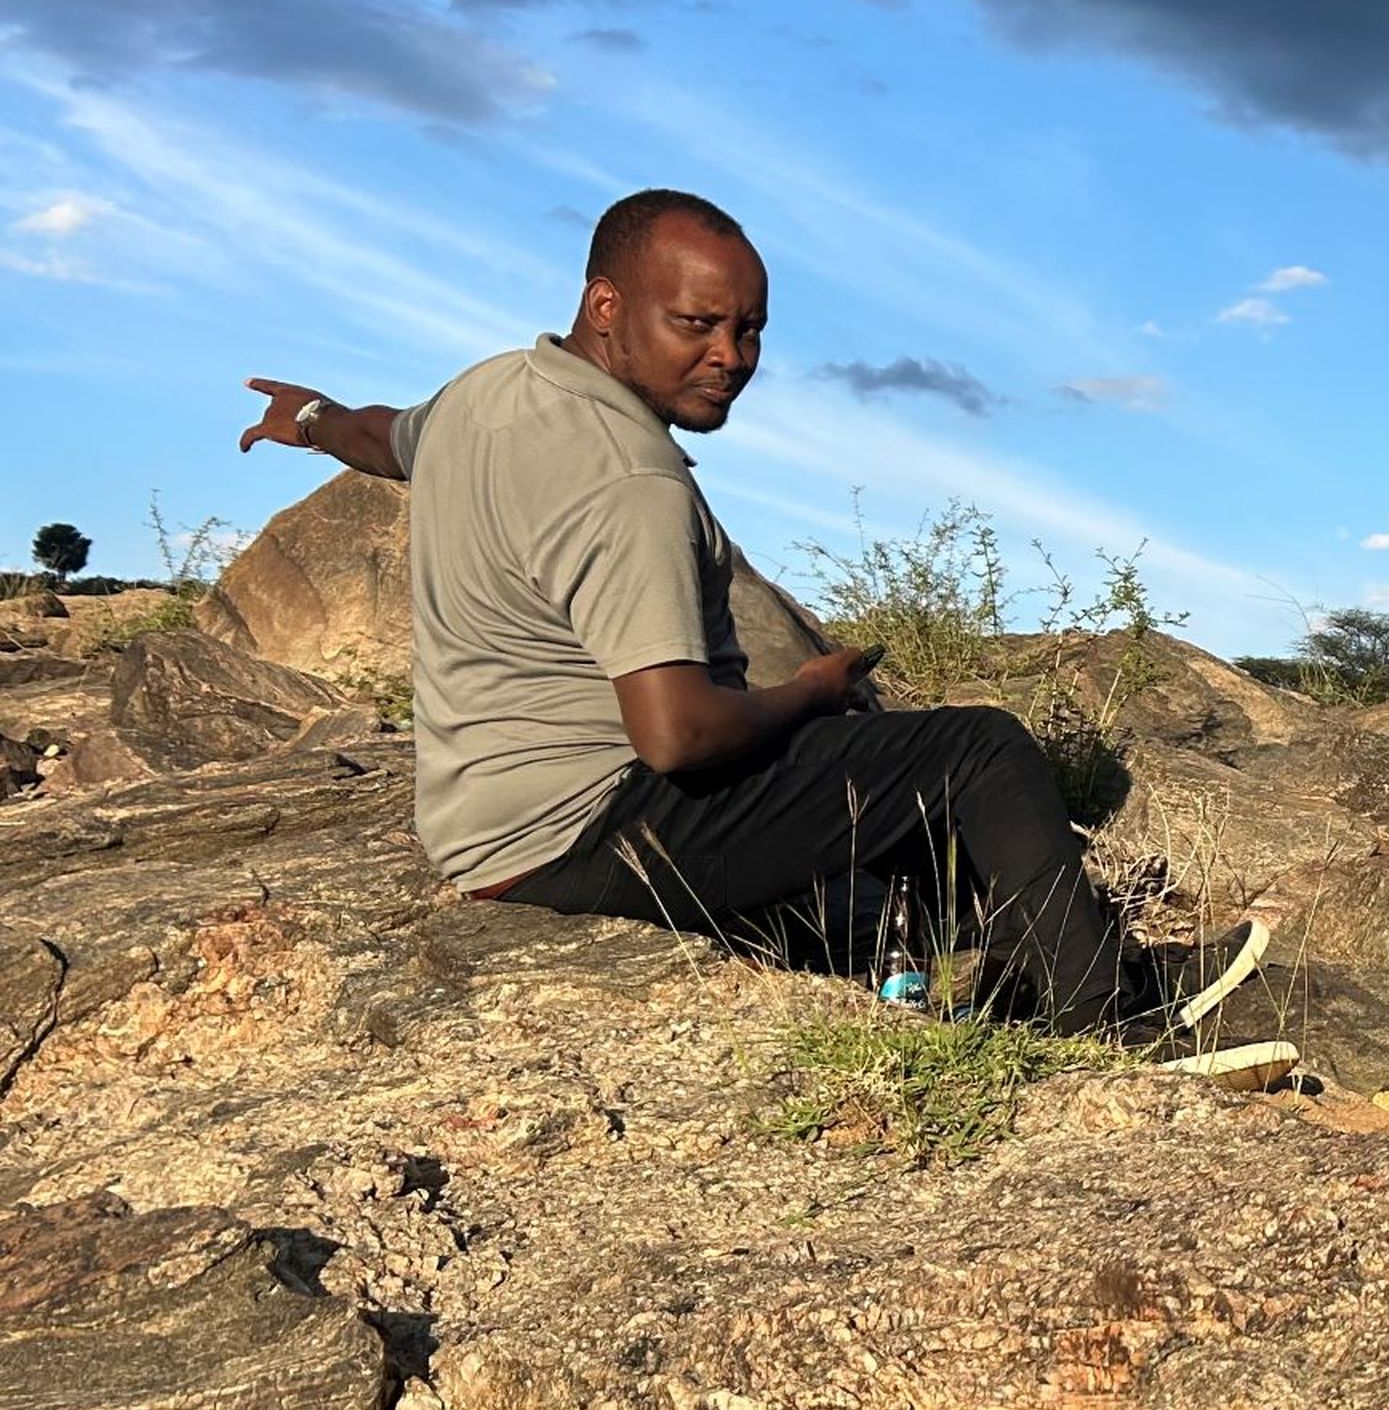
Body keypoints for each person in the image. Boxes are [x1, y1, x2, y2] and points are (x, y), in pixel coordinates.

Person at [237, 187, 1266, 1044]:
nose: (729, 354)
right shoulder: (624, 474)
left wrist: (312, 418)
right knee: (978, 753)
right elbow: (678, 737)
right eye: (694, 324)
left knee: (876, 796)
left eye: (749, 328)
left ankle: (1009, 964)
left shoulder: (487, 393)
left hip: (482, 834)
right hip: (591, 831)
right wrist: (809, 693)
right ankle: (1109, 1029)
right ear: (607, 306)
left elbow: (386, 438)